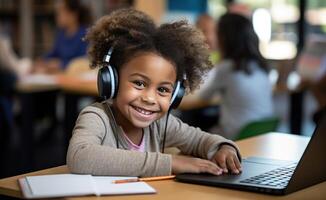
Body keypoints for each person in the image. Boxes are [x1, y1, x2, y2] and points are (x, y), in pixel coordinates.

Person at [67, 9, 242, 177]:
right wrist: (171, 163)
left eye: (163, 90)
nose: (150, 98)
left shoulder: (161, 124)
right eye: (139, 83)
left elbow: (201, 140)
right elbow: (80, 157)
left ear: (175, 95)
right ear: (113, 81)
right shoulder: (97, 117)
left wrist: (224, 148)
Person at [199, 13, 274, 140]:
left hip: (236, 133)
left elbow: (204, 96)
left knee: (193, 129)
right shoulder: (261, 66)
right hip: (263, 130)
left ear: (224, 38)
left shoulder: (227, 68)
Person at [33, 0, 92, 74]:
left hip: (77, 76)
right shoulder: (61, 34)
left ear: (73, 15)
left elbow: (84, 62)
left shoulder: (85, 34)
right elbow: (54, 53)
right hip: (60, 74)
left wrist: (61, 64)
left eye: (61, 12)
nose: (57, 16)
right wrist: (42, 60)